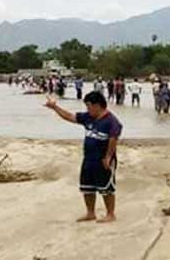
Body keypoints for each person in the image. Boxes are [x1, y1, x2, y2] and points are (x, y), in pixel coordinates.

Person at [44, 91, 122, 223]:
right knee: (87, 187)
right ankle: (90, 213)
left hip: (103, 160)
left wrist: (108, 157)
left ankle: (110, 214)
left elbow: (113, 139)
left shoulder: (111, 121)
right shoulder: (88, 117)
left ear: (98, 105)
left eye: (89, 106)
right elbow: (69, 116)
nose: (87, 109)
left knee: (106, 188)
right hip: (88, 158)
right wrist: (54, 107)